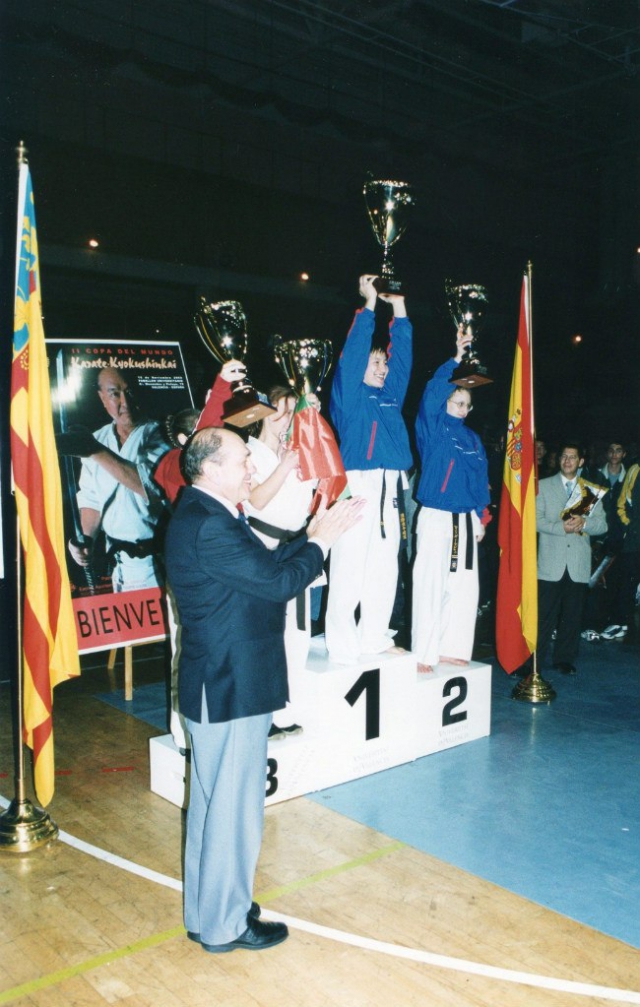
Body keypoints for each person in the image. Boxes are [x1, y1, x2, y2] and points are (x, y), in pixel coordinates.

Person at [164, 426, 363, 953]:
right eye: (242, 460)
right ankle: (227, 925)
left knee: (212, 808)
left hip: (221, 683)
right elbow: (278, 584)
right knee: (233, 812)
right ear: (211, 468)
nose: (252, 466)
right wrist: (321, 542)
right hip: (231, 686)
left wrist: (309, 536)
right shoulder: (210, 523)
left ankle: (207, 913)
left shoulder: (206, 514)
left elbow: (264, 567)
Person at [325, 274, 413, 664]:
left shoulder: (389, 397)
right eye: (375, 362)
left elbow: (403, 360)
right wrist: (371, 304)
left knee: (384, 566)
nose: (383, 368)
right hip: (358, 484)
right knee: (349, 565)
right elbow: (355, 349)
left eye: (383, 362)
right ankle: (342, 643)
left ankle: (373, 636)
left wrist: (400, 308)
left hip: (391, 486)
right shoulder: (349, 396)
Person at [412, 327, 490, 674]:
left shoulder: (473, 439)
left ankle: (452, 647)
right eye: (457, 402)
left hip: (465, 517)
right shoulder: (432, 427)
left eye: (467, 405)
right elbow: (432, 392)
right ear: (446, 402)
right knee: (430, 583)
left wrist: (481, 516)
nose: (462, 409)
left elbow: (479, 480)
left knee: (463, 587)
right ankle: (423, 652)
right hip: (436, 514)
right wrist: (456, 359)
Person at [244, 385, 320, 740]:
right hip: (262, 545)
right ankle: (260, 715)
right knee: (265, 633)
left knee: (297, 634)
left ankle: (286, 712)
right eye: (280, 410)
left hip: (296, 546)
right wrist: (286, 465)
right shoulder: (248, 453)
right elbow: (256, 499)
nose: (286, 418)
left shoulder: (298, 449)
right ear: (263, 411)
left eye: (293, 411)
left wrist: (313, 422)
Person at [60, 367, 171, 592]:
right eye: (115, 394)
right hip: (120, 567)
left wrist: (94, 451)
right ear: (102, 398)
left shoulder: (161, 434)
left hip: (160, 562)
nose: (125, 402)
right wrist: (86, 539)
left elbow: (151, 486)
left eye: (129, 392)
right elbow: (92, 500)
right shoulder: (98, 439)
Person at [536, 442, 607, 674]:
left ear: (581, 462)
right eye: (564, 456)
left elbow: (602, 525)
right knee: (543, 615)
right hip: (550, 562)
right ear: (559, 460)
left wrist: (585, 523)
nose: (567, 461)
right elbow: (536, 520)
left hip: (577, 563)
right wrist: (561, 528)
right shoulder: (543, 486)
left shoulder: (590, 491)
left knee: (572, 616)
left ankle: (564, 659)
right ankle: (532, 662)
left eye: (573, 457)